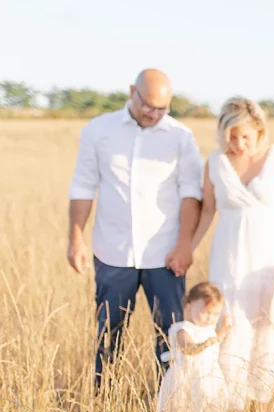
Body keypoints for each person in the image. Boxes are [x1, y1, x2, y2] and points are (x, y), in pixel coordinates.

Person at [67, 68, 203, 388]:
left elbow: (191, 193)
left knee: (169, 341)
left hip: (166, 256)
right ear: (132, 92)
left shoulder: (181, 137)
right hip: (112, 253)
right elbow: (83, 187)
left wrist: (185, 246)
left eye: (163, 108)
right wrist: (76, 239)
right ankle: (106, 411)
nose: (155, 114)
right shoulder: (98, 130)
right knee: (107, 339)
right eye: (149, 106)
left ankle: (167, 411)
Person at [192, 98, 274, 411]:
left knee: (269, 324)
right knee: (231, 321)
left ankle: (260, 399)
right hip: (230, 255)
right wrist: (188, 249)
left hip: (273, 256)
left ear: (260, 132)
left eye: (245, 136)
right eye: (231, 136)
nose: (238, 144)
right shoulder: (215, 162)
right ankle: (230, 405)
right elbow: (207, 211)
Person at [156, 283, 231, 412]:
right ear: (189, 307)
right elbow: (187, 348)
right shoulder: (183, 329)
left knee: (212, 409)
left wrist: (223, 330)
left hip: (209, 376)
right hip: (187, 377)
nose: (210, 318)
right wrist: (205, 344)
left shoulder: (210, 329)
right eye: (205, 312)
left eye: (215, 314)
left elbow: (216, 340)